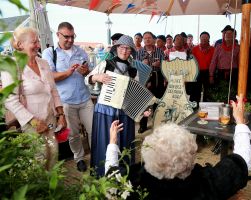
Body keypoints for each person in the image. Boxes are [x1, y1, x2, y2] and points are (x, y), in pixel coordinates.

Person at [105, 94, 251, 200]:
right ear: (191, 155)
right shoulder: (207, 184)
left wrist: (112, 142)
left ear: (148, 153)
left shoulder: (132, 181)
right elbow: (242, 162)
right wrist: (240, 122)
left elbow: (110, 173)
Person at [1, 27, 67, 170]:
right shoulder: (12, 66)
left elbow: (53, 90)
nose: (38, 45)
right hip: (30, 124)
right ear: (20, 45)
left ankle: (51, 190)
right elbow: (10, 100)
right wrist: (34, 122)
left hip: (49, 119)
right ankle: (40, 191)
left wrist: (61, 114)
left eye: (38, 41)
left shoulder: (43, 63)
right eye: (34, 42)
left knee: (53, 156)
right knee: (38, 160)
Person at [85, 35, 150, 177]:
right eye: (122, 47)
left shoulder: (134, 71)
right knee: (105, 141)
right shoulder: (106, 63)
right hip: (105, 111)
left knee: (125, 142)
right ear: (117, 48)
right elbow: (87, 79)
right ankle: (102, 173)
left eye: (128, 48)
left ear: (131, 51)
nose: (125, 50)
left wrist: (142, 111)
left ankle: (124, 174)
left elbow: (136, 94)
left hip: (124, 112)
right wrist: (98, 77)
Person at [42, 22, 94, 172]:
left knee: (93, 130)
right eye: (67, 37)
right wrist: (68, 73)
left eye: (72, 37)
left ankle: (96, 157)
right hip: (65, 101)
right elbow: (49, 76)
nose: (70, 40)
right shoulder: (50, 53)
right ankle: (79, 158)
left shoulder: (80, 51)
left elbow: (88, 73)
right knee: (74, 134)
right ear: (58, 35)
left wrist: (85, 71)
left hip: (84, 98)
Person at [191, 31, 215, 103]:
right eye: (202, 37)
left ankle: (207, 108)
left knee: (208, 92)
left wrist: (211, 75)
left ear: (209, 39)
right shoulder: (194, 48)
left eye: (206, 37)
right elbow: (192, 61)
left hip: (208, 72)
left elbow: (214, 62)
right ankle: (195, 108)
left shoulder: (213, 49)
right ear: (200, 38)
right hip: (197, 72)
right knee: (196, 91)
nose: (204, 39)